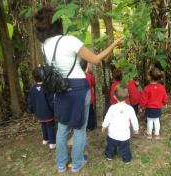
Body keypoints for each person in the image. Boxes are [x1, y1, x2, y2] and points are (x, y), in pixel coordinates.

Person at [34, 6, 122, 173]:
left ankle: (61, 165)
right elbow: (95, 60)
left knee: (62, 128)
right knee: (80, 128)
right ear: (57, 21)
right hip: (78, 89)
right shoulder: (70, 41)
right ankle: (77, 163)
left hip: (59, 88)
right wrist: (113, 45)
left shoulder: (44, 45)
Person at [102, 85, 139, 164]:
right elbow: (134, 120)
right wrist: (136, 129)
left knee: (111, 146)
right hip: (124, 135)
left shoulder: (112, 108)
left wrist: (104, 126)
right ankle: (126, 159)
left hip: (112, 134)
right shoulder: (130, 108)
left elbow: (107, 118)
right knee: (125, 148)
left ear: (114, 97)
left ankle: (109, 156)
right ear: (127, 96)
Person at [28, 67, 56, 149]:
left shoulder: (32, 89)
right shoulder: (47, 88)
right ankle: (52, 143)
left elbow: (31, 101)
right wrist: (55, 110)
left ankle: (45, 139)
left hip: (38, 113)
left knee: (43, 125)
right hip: (48, 112)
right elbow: (51, 101)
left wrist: (31, 110)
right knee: (50, 126)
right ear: (44, 76)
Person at [140, 67, 168, 140]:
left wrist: (142, 106)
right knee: (157, 121)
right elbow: (165, 97)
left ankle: (149, 134)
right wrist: (165, 103)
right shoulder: (162, 87)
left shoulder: (147, 88)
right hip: (158, 108)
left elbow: (143, 99)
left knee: (149, 121)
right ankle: (157, 135)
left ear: (149, 77)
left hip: (149, 109)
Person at [81, 61, 96, 130]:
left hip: (81, 99)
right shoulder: (89, 76)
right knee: (90, 112)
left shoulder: (78, 76)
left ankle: (86, 125)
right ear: (86, 66)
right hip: (89, 98)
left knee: (84, 113)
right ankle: (91, 126)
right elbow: (93, 83)